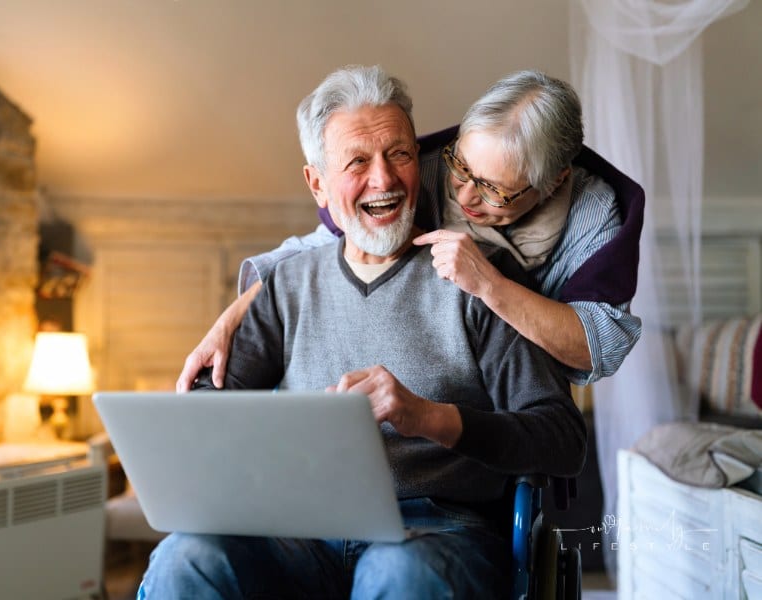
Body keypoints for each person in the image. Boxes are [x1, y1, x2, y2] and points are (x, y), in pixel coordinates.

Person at [140, 65, 586, 599]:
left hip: (435, 531)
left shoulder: (480, 277)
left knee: (397, 575)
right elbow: (214, 401)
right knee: (185, 558)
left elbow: (562, 437)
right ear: (318, 185)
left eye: (399, 153)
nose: (385, 179)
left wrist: (431, 418)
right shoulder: (287, 284)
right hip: (300, 530)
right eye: (357, 162)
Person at [176, 69, 643, 393]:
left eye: (494, 192)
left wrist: (490, 286)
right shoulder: (416, 169)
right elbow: (326, 245)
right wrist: (230, 318)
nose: (463, 198)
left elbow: (597, 344)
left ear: (556, 179)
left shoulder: (593, 210)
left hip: (504, 386)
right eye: (462, 169)